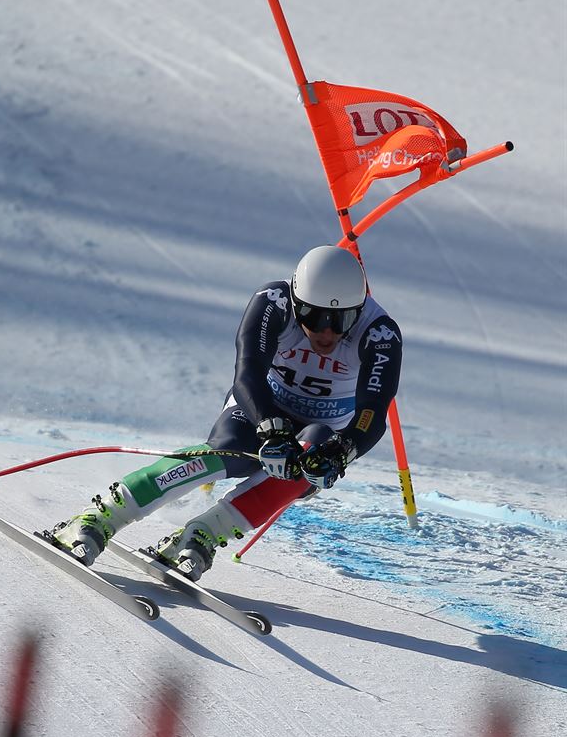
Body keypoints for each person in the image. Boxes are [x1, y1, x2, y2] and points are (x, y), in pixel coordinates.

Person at [49, 245, 402, 580]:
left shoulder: (380, 333)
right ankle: (101, 516)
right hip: (259, 405)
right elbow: (248, 371)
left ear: (359, 310)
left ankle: (203, 535)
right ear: (296, 302)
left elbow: (372, 413)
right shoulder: (274, 301)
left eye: (340, 320)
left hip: (320, 430)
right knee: (230, 450)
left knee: (311, 456)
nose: (326, 331)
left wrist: (342, 453)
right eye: (313, 314)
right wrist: (271, 429)